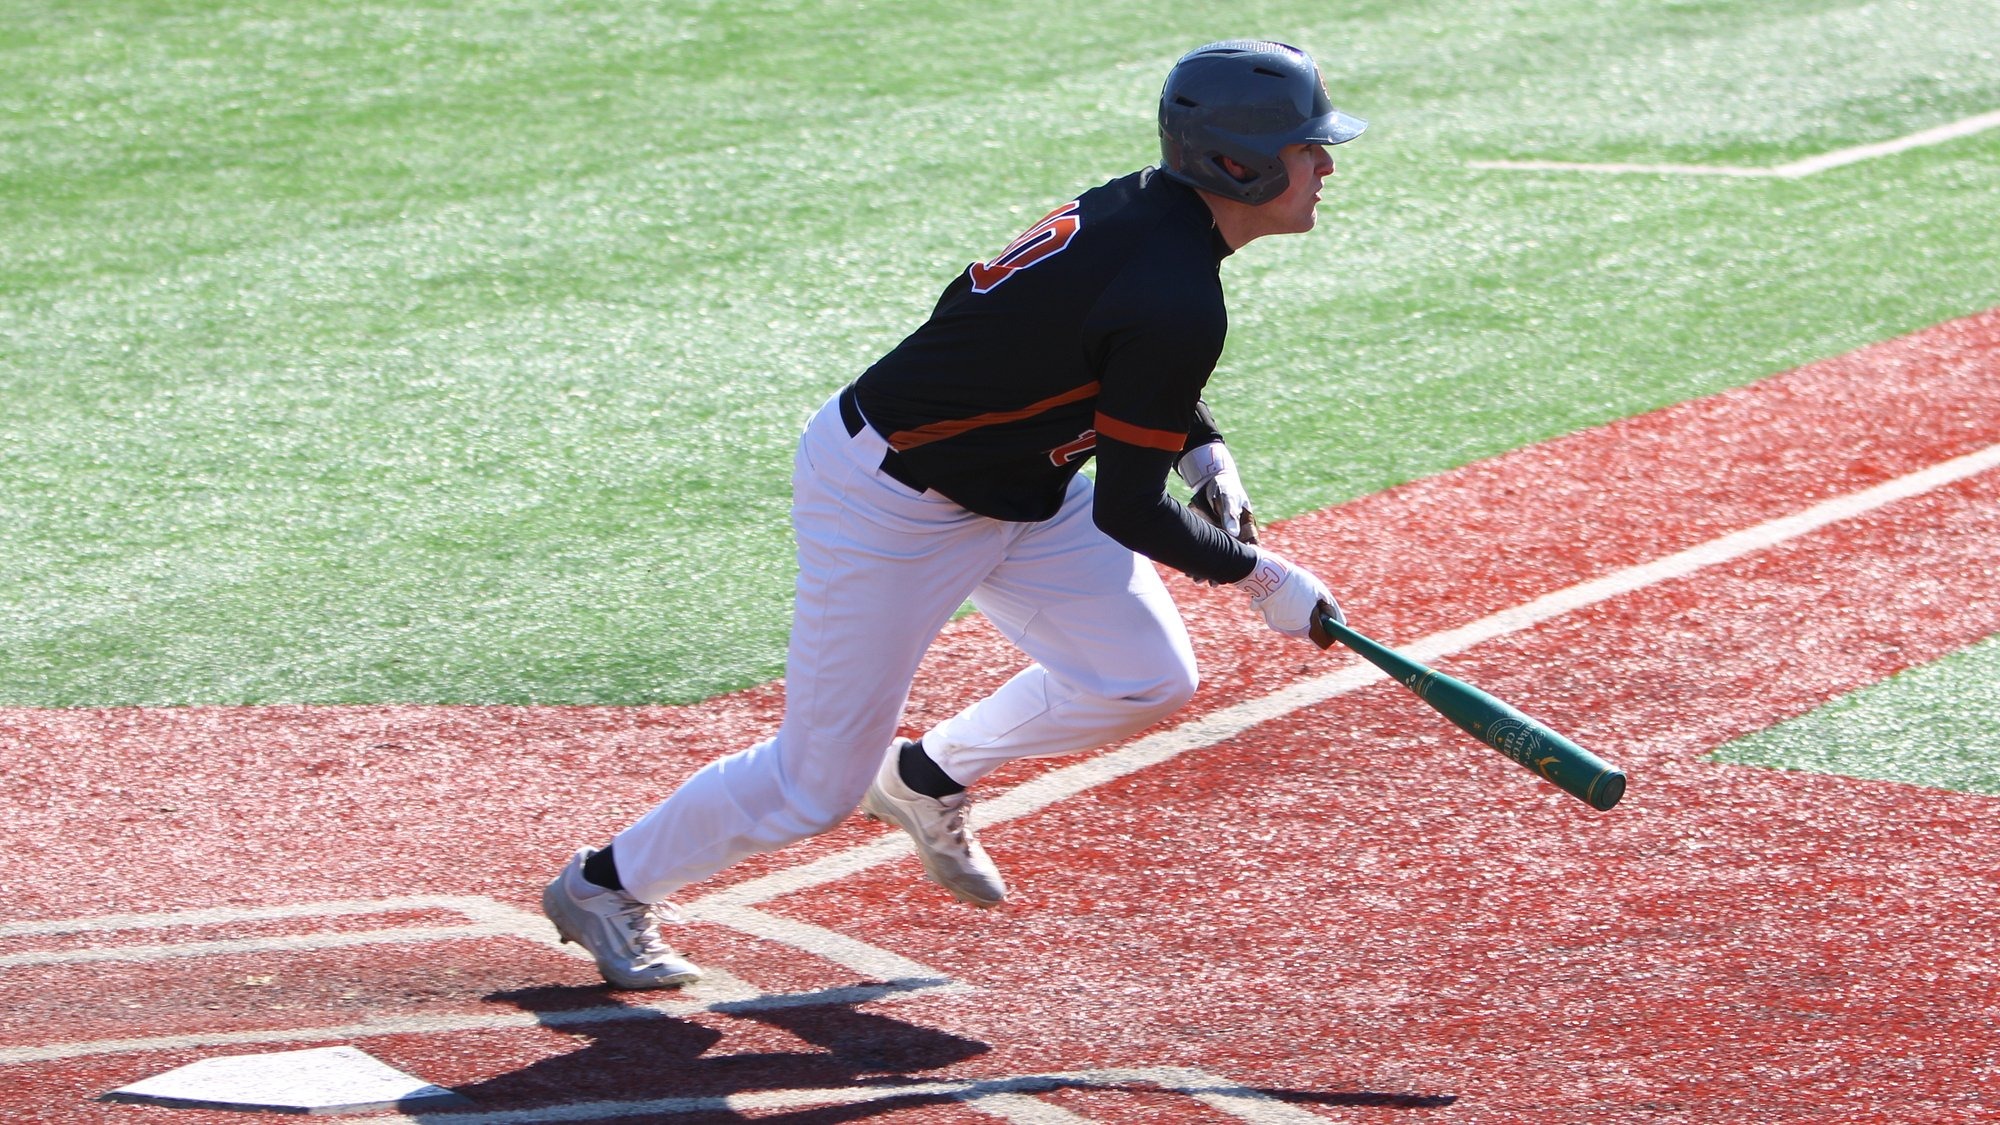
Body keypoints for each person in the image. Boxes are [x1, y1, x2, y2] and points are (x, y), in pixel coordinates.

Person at [542, 39, 1366, 988]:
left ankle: (927, 776)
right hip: (891, 503)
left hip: (1022, 486)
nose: (1327, 165)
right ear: (1240, 164)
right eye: (1310, 148)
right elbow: (1135, 509)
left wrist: (1204, 450)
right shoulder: (1173, 289)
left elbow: (1112, 357)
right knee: (813, 788)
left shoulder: (1142, 211)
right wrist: (1259, 576)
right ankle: (605, 884)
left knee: (1141, 676)